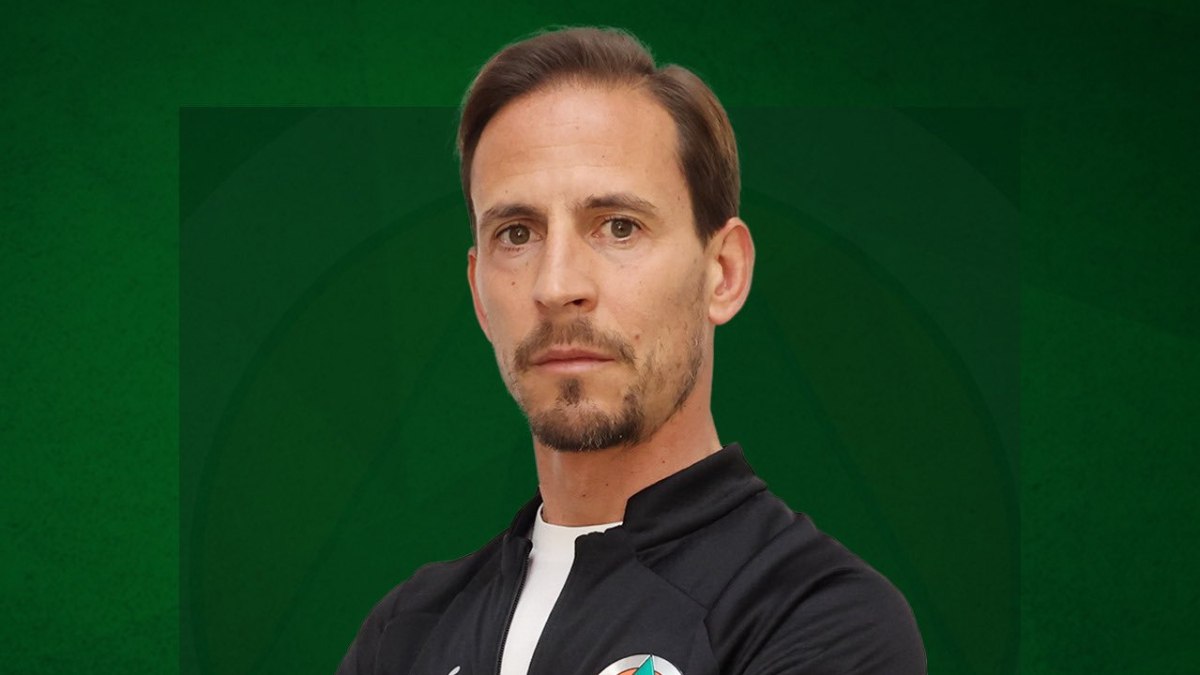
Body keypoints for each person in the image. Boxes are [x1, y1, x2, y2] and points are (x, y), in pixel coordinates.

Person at [338, 26, 925, 675]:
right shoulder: (404, 633)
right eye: (517, 233)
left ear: (723, 272)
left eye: (619, 227)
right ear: (479, 293)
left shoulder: (819, 616)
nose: (556, 285)